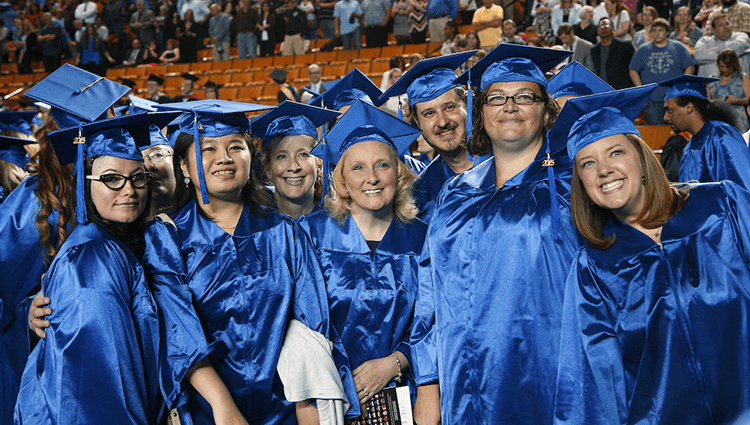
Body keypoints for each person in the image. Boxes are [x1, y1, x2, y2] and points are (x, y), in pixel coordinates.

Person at [553, 84, 750, 425]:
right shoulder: (594, 269)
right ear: (580, 181)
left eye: (616, 152)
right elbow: (590, 381)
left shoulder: (722, 205)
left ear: (643, 158)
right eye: (587, 163)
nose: (603, 170)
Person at [409, 44, 580, 425]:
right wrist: (428, 383)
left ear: (546, 108)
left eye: (525, 96)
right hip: (466, 378)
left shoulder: (573, 185)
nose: (510, 106)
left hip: (551, 375)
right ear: (481, 110)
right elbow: (430, 291)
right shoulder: (455, 193)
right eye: (497, 97)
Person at [158, 99, 339, 424]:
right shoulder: (168, 238)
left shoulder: (284, 230)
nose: (224, 158)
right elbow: (177, 334)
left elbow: (311, 322)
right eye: (208, 148)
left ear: (250, 157)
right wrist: (222, 406)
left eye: (234, 146)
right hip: (206, 410)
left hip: (285, 407)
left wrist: (308, 404)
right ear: (184, 167)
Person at [301, 100, 425, 418]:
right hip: (331, 400)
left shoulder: (423, 238)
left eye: (382, 165)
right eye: (357, 167)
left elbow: (434, 321)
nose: (371, 177)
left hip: (404, 399)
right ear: (342, 177)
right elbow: (303, 328)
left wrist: (395, 362)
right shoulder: (312, 234)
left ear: (398, 172)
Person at [379, 51, 479, 222]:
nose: (442, 122)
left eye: (449, 107)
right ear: (417, 122)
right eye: (429, 113)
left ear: (467, 106)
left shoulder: (506, 162)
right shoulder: (420, 194)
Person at [661, 75, 750, 189]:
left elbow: (741, 190)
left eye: (670, 110)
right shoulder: (690, 146)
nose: (666, 118)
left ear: (689, 107)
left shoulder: (722, 136)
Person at [252, 101, 339, 219]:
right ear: (267, 168)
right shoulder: (252, 223)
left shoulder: (339, 221)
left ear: (319, 164)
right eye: (282, 156)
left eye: (303, 155)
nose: (294, 167)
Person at [629, 17, 695, 125]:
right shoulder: (642, 49)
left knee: (676, 129)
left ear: (667, 32)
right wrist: (641, 91)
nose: (657, 33)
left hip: (674, 97)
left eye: (660, 30)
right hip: (652, 98)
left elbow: (690, 66)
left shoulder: (679, 47)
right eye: (654, 31)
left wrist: (682, 87)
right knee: (655, 132)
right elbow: (633, 71)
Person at [707, 48, 750, 131]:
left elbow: (749, 99)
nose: (725, 69)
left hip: (739, 121)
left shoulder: (742, 77)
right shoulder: (712, 79)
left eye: (728, 66)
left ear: (734, 65)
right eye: (722, 66)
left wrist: (736, 100)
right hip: (717, 120)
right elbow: (707, 101)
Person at [591, 18, 636, 89]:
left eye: (607, 25)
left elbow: (633, 68)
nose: (604, 29)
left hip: (622, 89)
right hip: (603, 90)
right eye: (601, 26)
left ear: (612, 28)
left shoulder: (624, 45)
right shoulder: (594, 49)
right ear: (597, 30)